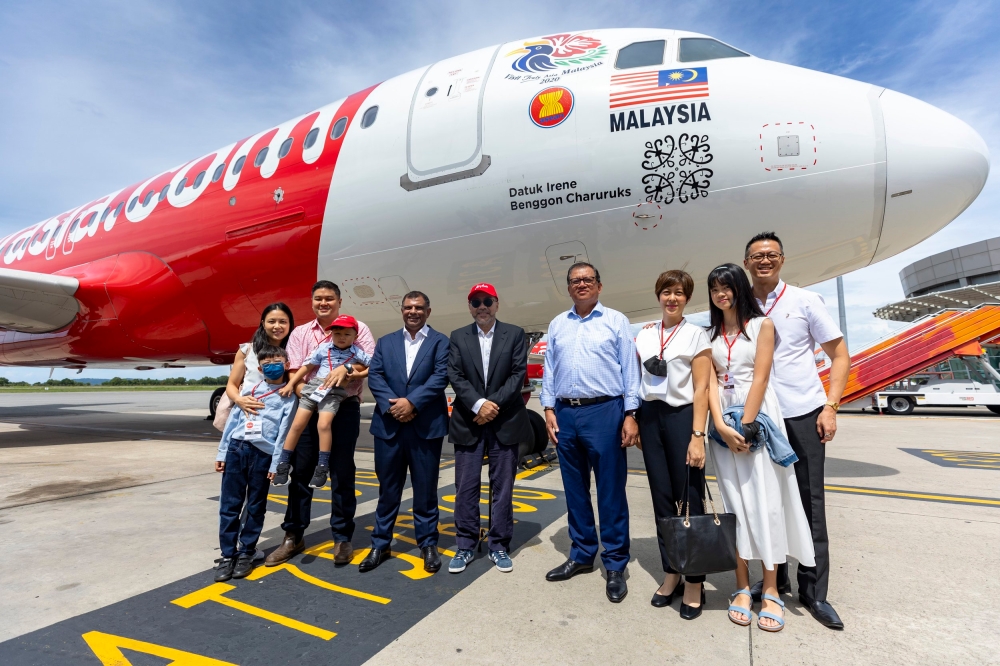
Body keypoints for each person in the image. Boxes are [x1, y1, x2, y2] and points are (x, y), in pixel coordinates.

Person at [743, 232, 850, 630]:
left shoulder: (806, 301)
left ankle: (814, 592)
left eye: (770, 255)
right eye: (757, 256)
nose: (764, 261)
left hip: (802, 413)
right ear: (747, 262)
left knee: (809, 503)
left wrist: (831, 406)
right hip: (759, 418)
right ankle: (776, 578)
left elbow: (839, 354)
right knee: (767, 502)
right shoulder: (739, 304)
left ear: (782, 259)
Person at [705, 263, 815, 633]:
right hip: (721, 424)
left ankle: (770, 589)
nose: (722, 294)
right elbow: (709, 384)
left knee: (767, 503)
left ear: (740, 288)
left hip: (758, 419)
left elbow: (762, 375)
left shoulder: (762, 325)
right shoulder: (710, 333)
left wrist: (747, 426)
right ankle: (740, 586)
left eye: (727, 287)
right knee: (734, 504)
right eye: (715, 289)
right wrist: (721, 425)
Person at [540, 262, 640, 604]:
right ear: (568, 288)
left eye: (587, 280)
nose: (581, 285)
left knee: (611, 490)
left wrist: (630, 413)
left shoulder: (615, 321)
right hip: (566, 413)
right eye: (575, 281)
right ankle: (582, 554)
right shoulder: (557, 324)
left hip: (605, 411)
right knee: (575, 489)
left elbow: (630, 369)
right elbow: (550, 369)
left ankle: (614, 564)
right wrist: (549, 407)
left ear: (599, 285)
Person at [265, 281, 375, 568]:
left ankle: (342, 536)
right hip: (309, 403)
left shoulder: (358, 329)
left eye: (329, 299)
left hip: (345, 405)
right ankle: (293, 535)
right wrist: (308, 394)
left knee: (342, 471)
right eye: (318, 299)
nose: (323, 303)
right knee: (301, 472)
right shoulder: (301, 333)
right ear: (312, 302)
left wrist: (348, 369)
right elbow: (295, 370)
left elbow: (369, 366)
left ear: (339, 301)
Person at [634, 270, 713, 620]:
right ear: (658, 295)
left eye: (679, 293)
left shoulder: (696, 335)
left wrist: (698, 436)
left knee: (690, 496)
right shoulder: (646, 335)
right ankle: (672, 571)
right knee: (662, 498)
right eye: (666, 291)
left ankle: (694, 580)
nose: (672, 298)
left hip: (683, 419)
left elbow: (702, 389)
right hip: (651, 417)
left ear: (687, 298)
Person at [361, 291, 450, 574]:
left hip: (425, 427)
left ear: (428, 311)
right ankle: (380, 543)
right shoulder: (385, 342)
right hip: (390, 427)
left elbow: (440, 377)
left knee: (425, 491)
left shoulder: (440, 342)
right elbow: (375, 376)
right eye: (409, 307)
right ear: (402, 310)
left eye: (419, 308)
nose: (413, 312)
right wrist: (394, 407)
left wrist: (412, 402)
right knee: (388, 490)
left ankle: (427, 543)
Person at [446, 283, 533, 574]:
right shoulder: (458, 336)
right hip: (469, 421)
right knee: (466, 487)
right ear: (469, 307)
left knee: (503, 487)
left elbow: (518, 373)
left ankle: (498, 544)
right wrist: (477, 405)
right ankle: (466, 544)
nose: (481, 307)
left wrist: (490, 405)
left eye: (487, 301)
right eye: (475, 302)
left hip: (504, 419)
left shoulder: (515, 334)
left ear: (496, 304)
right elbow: (455, 375)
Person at [214, 345, 297, 582]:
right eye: (267, 362)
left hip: (263, 454)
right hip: (237, 449)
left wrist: (276, 465)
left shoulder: (287, 396)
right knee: (229, 506)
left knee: (255, 507)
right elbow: (232, 423)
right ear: (260, 368)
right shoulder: (249, 389)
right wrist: (222, 453)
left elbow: (284, 433)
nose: (272, 365)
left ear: (286, 364)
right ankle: (228, 554)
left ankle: (246, 552)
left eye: (277, 361)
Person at [273, 315, 372, 489]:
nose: (341, 337)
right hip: (315, 387)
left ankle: (321, 467)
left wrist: (357, 374)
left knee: (323, 425)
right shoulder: (323, 348)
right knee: (297, 425)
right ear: (331, 334)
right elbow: (307, 367)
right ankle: (283, 464)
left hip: (334, 392)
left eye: (347, 334)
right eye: (337, 333)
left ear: (355, 337)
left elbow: (373, 366)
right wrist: (290, 384)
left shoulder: (357, 352)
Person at [222, 302, 294, 423]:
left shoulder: (294, 352)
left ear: (290, 324)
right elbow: (232, 384)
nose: (277, 326)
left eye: (283, 321)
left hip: (282, 415)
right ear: (263, 324)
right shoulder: (247, 350)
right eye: (271, 321)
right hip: (251, 414)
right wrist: (239, 400)